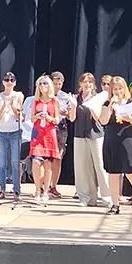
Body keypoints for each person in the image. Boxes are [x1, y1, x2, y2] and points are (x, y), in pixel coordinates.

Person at [98, 76, 132, 216]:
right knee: (113, 173)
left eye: (120, 88)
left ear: (125, 89)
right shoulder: (107, 103)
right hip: (112, 140)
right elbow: (103, 121)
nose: (118, 91)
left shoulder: (131, 102)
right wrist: (110, 105)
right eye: (115, 89)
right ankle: (115, 205)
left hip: (128, 140)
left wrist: (131, 119)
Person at [70, 72, 111, 208]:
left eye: (90, 82)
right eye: (84, 82)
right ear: (80, 84)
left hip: (96, 134)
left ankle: (107, 197)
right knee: (82, 168)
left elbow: (99, 118)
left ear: (93, 85)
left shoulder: (98, 98)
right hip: (79, 135)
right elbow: (72, 118)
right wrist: (73, 106)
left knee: (100, 166)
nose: (87, 84)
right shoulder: (76, 98)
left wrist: (92, 106)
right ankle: (86, 198)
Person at [29, 75, 60, 201]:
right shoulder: (35, 101)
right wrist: (37, 116)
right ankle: (37, 190)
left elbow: (57, 120)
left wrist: (48, 118)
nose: (42, 86)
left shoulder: (54, 101)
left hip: (49, 134)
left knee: (48, 164)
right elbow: (31, 118)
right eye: (40, 84)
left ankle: (46, 191)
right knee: (36, 162)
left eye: (45, 83)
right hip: (37, 134)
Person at [0, 72, 24, 199]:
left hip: (15, 131)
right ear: (3, 82)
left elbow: (19, 116)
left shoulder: (19, 95)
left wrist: (12, 106)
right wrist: (3, 106)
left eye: (12, 80)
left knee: (15, 162)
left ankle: (16, 189)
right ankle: (2, 188)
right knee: (2, 162)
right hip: (2, 131)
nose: (9, 82)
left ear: (15, 83)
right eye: (7, 80)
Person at [50, 71, 76, 199]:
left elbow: (71, 116)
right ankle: (43, 186)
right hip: (48, 127)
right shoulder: (44, 94)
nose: (57, 86)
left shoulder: (65, 97)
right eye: (55, 84)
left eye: (59, 84)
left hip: (61, 127)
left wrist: (67, 113)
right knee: (45, 158)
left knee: (58, 157)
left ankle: (53, 186)